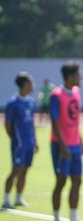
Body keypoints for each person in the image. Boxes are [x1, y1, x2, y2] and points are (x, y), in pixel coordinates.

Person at [50, 61, 83, 221]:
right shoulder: (56, 95)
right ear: (71, 76)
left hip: (75, 144)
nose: (81, 78)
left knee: (77, 180)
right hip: (61, 145)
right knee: (61, 181)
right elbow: (55, 122)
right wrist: (63, 147)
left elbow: (75, 120)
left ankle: (73, 219)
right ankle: (57, 220)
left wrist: (81, 140)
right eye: (79, 74)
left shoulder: (77, 92)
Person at [3, 72, 38, 209]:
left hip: (29, 143)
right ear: (24, 84)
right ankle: (6, 199)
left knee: (25, 170)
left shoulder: (30, 102)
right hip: (19, 145)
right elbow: (8, 124)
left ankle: (18, 198)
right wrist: (15, 140)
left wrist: (35, 141)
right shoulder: (13, 103)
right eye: (31, 82)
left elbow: (32, 123)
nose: (33, 85)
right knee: (15, 170)